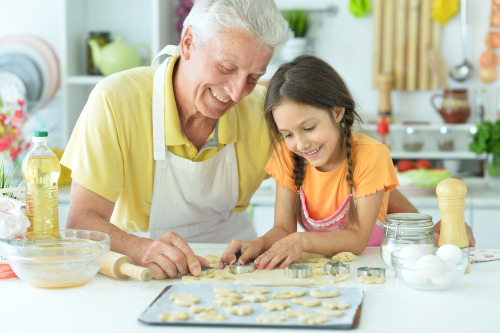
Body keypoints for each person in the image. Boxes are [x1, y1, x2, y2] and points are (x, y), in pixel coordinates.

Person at [61, 0, 471, 280]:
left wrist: (426, 229)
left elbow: (355, 165)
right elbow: (80, 223)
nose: (237, 92)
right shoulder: (115, 101)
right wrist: (140, 248)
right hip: (146, 271)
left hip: (234, 265)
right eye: (226, 67)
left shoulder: (272, 113)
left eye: (253, 77)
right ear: (187, 42)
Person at [219, 55, 474, 270]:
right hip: (324, 272)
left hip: (372, 267)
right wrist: (258, 243)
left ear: (337, 112)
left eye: (308, 127)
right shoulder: (288, 155)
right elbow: (283, 229)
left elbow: (357, 240)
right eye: (288, 134)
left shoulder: (371, 156)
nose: (301, 144)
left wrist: (301, 241)